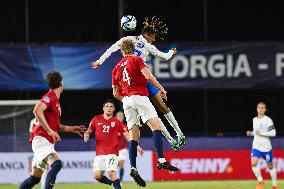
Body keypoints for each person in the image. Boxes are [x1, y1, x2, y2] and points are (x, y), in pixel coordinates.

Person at [92, 16, 185, 151]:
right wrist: (172, 52)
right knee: (158, 110)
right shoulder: (131, 40)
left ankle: (177, 136)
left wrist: (99, 61)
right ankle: (174, 137)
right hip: (137, 82)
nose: (154, 39)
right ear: (147, 34)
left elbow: (111, 49)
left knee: (160, 108)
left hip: (141, 80)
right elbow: (165, 56)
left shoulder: (140, 43)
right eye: (153, 36)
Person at [112, 39, 179, 187]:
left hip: (127, 101)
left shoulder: (116, 67)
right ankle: (161, 160)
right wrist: (161, 88)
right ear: (133, 49)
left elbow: (115, 93)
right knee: (156, 127)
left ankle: (134, 168)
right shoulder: (137, 59)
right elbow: (148, 76)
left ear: (122, 51)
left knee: (133, 138)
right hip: (139, 96)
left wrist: (127, 99)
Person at [19, 71, 86, 189]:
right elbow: (37, 110)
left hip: (46, 141)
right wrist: (49, 130)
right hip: (41, 139)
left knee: (34, 179)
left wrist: (70, 128)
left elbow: (56, 126)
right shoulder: (49, 97)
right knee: (57, 164)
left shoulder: (55, 101)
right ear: (61, 84)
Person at [84, 99, 144, 189]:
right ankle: (114, 184)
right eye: (107, 106)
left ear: (113, 109)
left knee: (111, 172)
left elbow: (127, 135)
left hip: (112, 152)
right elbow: (89, 130)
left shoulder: (117, 123)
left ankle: (117, 186)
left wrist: (137, 146)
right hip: (100, 153)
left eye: (111, 107)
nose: (109, 108)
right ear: (103, 108)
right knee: (97, 176)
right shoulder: (96, 119)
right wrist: (86, 134)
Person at [246, 102, 277, 189]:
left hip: (266, 147)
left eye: (262, 108)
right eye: (259, 107)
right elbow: (255, 132)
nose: (260, 109)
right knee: (253, 163)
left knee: (270, 166)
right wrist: (251, 133)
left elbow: (273, 133)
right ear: (256, 109)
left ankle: (274, 185)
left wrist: (261, 133)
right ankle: (260, 181)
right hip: (256, 146)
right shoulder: (254, 120)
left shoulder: (268, 120)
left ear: (265, 109)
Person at [115, 111, 128, 181]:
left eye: (121, 117)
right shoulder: (112, 126)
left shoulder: (124, 126)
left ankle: (120, 181)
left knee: (121, 164)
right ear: (116, 117)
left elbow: (126, 136)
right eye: (118, 116)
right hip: (114, 149)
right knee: (114, 165)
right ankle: (115, 179)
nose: (120, 118)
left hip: (123, 148)